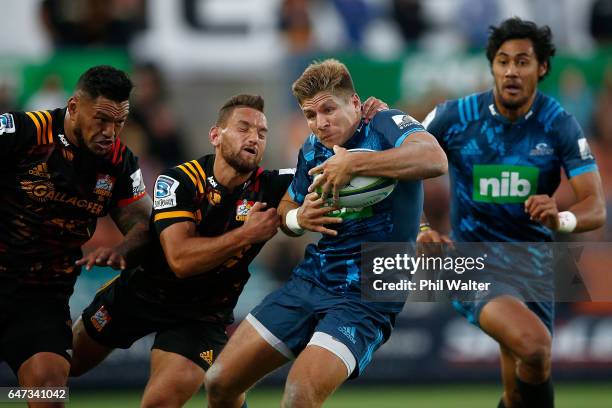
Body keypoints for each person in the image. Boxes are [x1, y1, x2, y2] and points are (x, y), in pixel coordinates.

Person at [70, 93, 388, 407]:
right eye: (243, 128)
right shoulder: (179, 181)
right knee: (59, 369)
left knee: (161, 403)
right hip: (139, 295)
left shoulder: (274, 187)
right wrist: (245, 235)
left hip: (201, 317)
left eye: (262, 133)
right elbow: (180, 261)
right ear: (215, 135)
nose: (254, 138)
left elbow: (339, 170)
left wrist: (368, 124)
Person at [205, 59, 447, 408]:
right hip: (315, 278)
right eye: (310, 114)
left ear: (354, 102)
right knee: (219, 382)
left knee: (299, 397)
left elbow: (435, 159)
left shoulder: (384, 122)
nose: (320, 123)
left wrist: (354, 163)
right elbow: (288, 206)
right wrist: (297, 219)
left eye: (328, 109)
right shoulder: (312, 149)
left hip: (369, 291)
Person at [418, 18, 606, 408]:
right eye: (502, 61)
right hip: (472, 261)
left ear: (542, 68)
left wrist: (561, 217)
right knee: (535, 346)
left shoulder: (558, 125)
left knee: (524, 384)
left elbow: (595, 206)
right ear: (492, 67)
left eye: (522, 61)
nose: (511, 71)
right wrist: (420, 227)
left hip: (536, 265)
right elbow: (403, 166)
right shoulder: (456, 118)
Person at [0, 65, 151, 407]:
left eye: (119, 123)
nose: (110, 132)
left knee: (50, 394)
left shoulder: (120, 163)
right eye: (101, 119)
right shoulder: (23, 131)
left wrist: (123, 249)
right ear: (72, 107)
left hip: (41, 297)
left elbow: (143, 224)